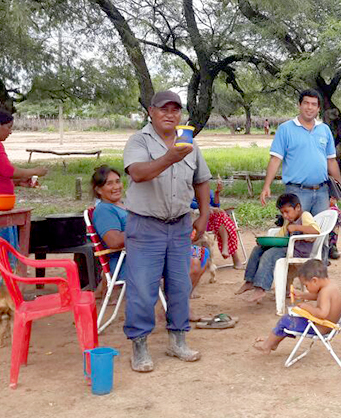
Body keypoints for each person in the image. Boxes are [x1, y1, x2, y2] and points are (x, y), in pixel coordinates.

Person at [121, 90, 212, 372]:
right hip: (146, 225)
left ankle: (178, 340)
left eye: (175, 109)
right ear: (151, 111)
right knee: (142, 289)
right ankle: (139, 346)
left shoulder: (190, 144)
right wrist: (170, 158)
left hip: (180, 224)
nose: (170, 114)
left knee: (180, 284)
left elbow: (202, 180)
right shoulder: (139, 140)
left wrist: (204, 215)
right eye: (164, 109)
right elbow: (138, 173)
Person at [90, 165, 209, 312]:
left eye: (117, 181)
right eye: (109, 183)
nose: (116, 187)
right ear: (98, 189)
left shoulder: (122, 205)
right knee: (192, 264)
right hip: (130, 262)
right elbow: (114, 241)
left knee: (201, 254)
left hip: (146, 254)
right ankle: (169, 311)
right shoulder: (104, 210)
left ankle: (174, 308)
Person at [0, 108, 48, 295]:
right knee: (2, 248)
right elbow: (7, 170)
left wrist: (18, 182)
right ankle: (7, 291)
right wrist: (34, 170)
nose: (10, 132)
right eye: (8, 127)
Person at [260, 89, 341, 217]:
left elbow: (331, 161)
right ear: (299, 105)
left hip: (322, 192)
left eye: (314, 104)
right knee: (297, 232)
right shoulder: (285, 129)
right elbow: (275, 159)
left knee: (321, 232)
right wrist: (266, 186)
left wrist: (339, 187)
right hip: (296, 192)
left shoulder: (324, 129)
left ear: (318, 108)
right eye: (306, 103)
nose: (309, 107)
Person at [236, 193, 320, 303]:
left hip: (298, 251)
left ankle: (261, 288)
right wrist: (266, 242)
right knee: (258, 250)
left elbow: (316, 231)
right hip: (286, 249)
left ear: (298, 207)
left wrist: (296, 227)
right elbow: (280, 236)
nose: (285, 216)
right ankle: (250, 281)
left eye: (287, 212)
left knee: (269, 255)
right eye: (282, 213)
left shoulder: (305, 216)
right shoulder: (288, 221)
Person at [253, 259, 341, 354]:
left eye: (306, 285)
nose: (307, 288)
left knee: (286, 320)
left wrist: (307, 307)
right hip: (329, 325)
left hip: (319, 328)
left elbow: (322, 313)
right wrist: (301, 294)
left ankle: (267, 345)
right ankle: (272, 341)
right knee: (291, 320)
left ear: (314, 280)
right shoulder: (331, 287)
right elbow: (318, 296)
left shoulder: (325, 292)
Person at [190, 179, 242, 268]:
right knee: (225, 222)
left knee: (221, 219)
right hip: (199, 222)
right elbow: (191, 204)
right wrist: (209, 208)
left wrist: (217, 193)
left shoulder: (208, 191)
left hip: (214, 223)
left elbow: (217, 205)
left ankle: (226, 248)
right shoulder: (189, 193)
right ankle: (235, 259)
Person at [327, 196, 341, 260]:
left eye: (334, 199)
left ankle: (332, 247)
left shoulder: (335, 210)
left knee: (336, 219)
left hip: (331, 228)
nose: (334, 200)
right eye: (332, 198)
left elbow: (340, 218)